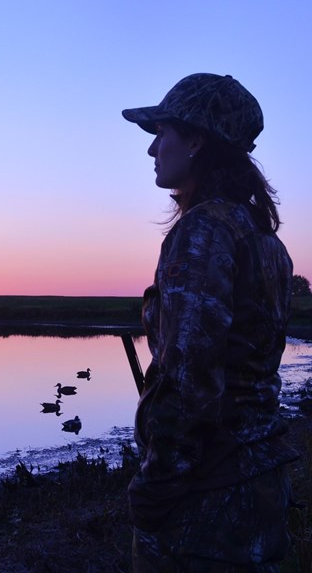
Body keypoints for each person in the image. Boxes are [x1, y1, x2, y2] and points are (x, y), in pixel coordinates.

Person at [121, 73, 299, 572]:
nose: (153, 148)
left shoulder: (204, 232)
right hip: (259, 484)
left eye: (162, 133)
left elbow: (189, 379)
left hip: (207, 502)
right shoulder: (263, 239)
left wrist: (155, 488)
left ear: (197, 139)